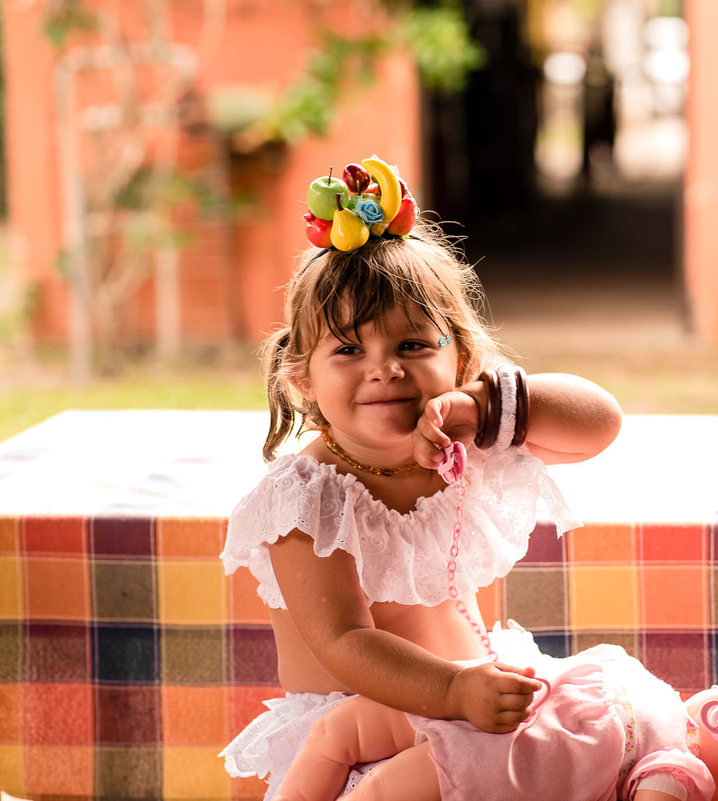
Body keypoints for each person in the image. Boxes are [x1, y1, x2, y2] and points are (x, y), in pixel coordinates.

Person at [218, 157, 623, 799]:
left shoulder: (465, 444)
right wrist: (453, 691)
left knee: (614, 731)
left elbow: (599, 422)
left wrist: (486, 408)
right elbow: (345, 640)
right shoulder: (307, 499)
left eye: (412, 346)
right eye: (349, 350)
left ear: (460, 356)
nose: (384, 370)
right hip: (358, 745)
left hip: (473, 710)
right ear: (301, 376)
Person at [272, 644, 718, 801]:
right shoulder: (656, 687)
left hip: (498, 764)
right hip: (480, 697)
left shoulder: (683, 771)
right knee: (336, 732)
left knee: (382, 790)